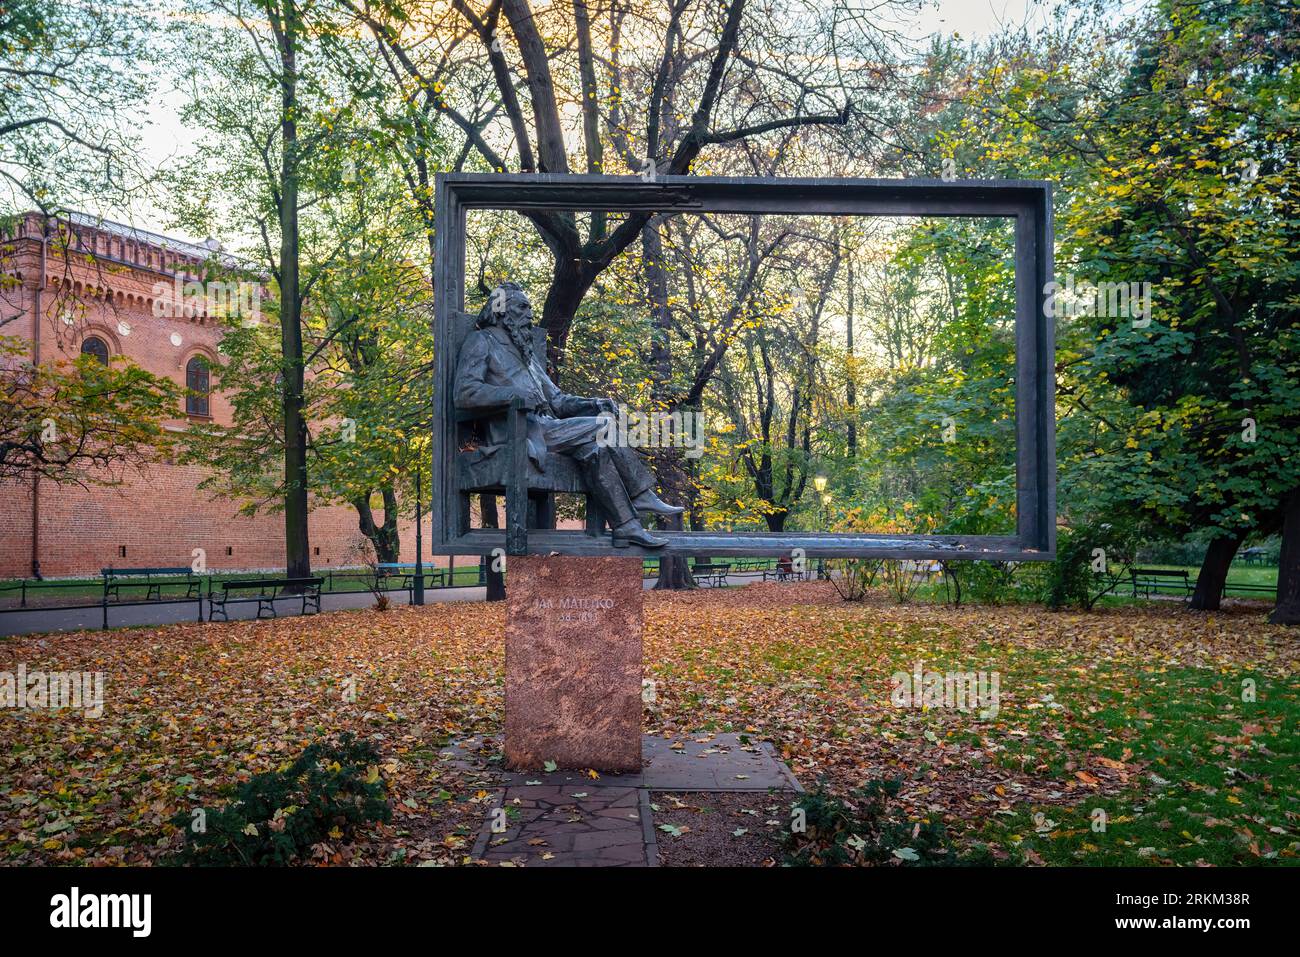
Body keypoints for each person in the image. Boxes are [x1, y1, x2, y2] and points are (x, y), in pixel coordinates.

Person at [454, 282, 683, 548]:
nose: (530, 314)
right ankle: (641, 493)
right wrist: (513, 396)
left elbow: (559, 401)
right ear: (502, 310)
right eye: (523, 307)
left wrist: (595, 403)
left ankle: (626, 527)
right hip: (517, 432)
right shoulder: (482, 341)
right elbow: (465, 392)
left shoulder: (527, 357)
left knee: (595, 449)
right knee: (604, 428)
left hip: (547, 429)